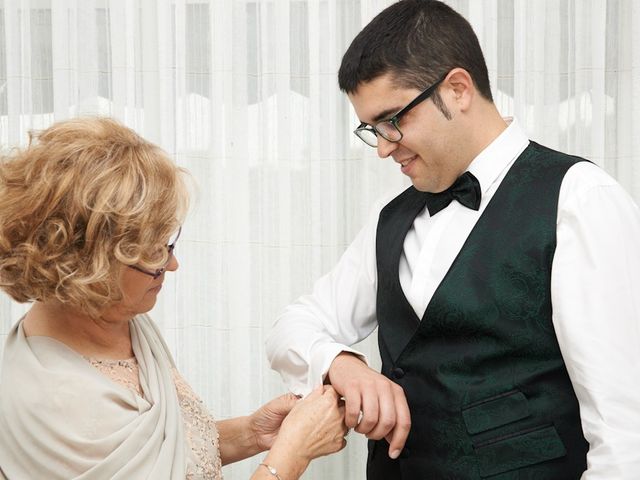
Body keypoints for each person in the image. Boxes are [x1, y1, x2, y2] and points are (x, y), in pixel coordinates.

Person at [267, 1, 640, 478]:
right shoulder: (391, 217)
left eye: (391, 119)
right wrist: (341, 362)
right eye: (371, 129)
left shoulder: (579, 200)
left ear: (457, 89)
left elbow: (624, 432)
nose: (382, 147)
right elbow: (292, 325)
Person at [0, 117, 348, 480]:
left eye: (168, 244)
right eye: (155, 253)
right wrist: (291, 455)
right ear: (92, 262)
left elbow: (161, 459)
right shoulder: (52, 398)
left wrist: (250, 434)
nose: (173, 264)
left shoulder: (121, 320)